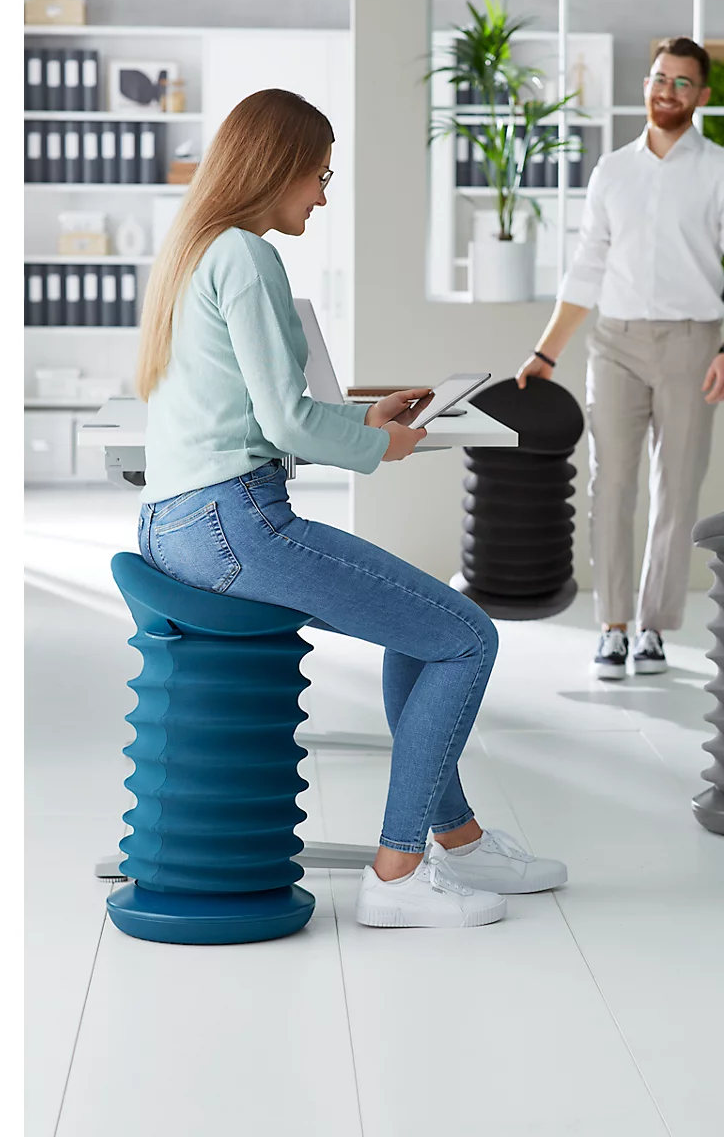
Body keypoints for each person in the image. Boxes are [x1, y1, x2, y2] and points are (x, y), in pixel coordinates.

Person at [135, 89, 566, 928]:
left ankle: (463, 840)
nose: (323, 197)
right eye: (320, 175)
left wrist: (363, 420)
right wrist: (385, 447)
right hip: (235, 524)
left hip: (181, 522)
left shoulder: (195, 250)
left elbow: (257, 412)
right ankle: (398, 878)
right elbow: (284, 422)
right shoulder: (247, 256)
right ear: (279, 166)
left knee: (426, 629)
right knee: (469, 637)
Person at [516, 37, 724, 680]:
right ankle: (613, 626)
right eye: (661, 78)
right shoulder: (612, 171)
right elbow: (587, 267)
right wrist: (547, 352)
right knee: (611, 486)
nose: (668, 91)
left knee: (676, 490)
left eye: (683, 83)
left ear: (702, 96)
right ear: (646, 84)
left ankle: (653, 628)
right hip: (616, 342)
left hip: (693, 341)